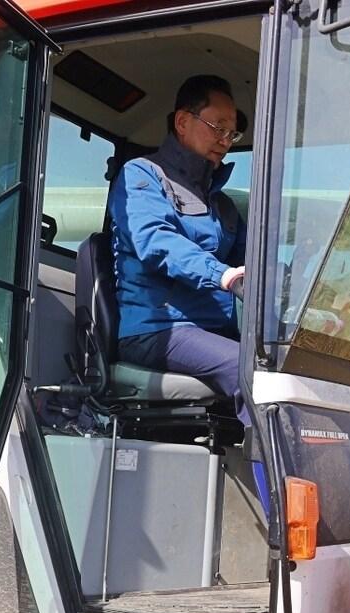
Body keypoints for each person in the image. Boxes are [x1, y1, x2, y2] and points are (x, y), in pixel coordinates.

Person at [108, 74, 249, 428]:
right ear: (183, 122)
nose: (225, 141)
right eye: (218, 127)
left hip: (209, 329)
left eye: (231, 134)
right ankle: (276, 482)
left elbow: (256, 263)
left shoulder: (224, 207)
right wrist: (224, 275)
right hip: (157, 329)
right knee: (247, 369)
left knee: (285, 365)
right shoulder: (142, 176)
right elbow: (155, 240)